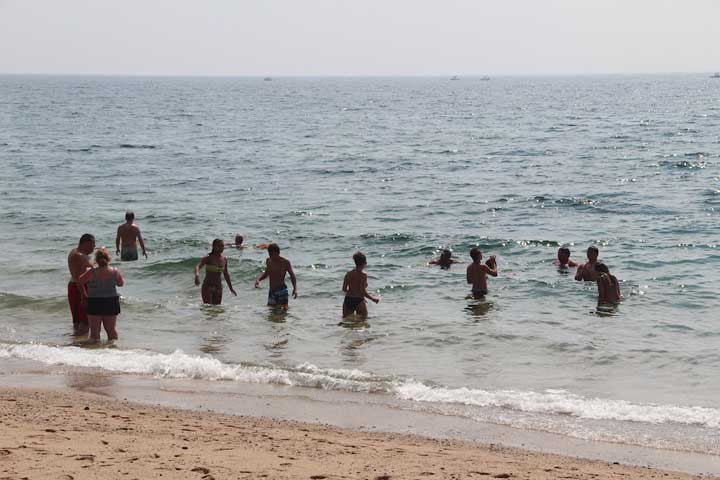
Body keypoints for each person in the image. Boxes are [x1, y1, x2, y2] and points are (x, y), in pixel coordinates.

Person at [77, 248, 124, 342]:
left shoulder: (92, 272)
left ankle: (96, 352)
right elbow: (120, 284)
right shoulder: (115, 271)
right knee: (111, 330)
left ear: (96, 260)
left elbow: (80, 281)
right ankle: (113, 350)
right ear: (108, 259)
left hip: (94, 301)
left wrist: (84, 295)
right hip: (111, 301)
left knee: (95, 332)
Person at [67, 234, 95, 335]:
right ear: (86, 243)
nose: (94, 247)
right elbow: (77, 277)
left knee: (78, 320)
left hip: (77, 287)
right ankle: (81, 346)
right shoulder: (78, 255)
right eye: (93, 244)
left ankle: (77, 344)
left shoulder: (78, 253)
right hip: (80, 288)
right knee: (84, 320)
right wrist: (84, 295)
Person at [194, 239, 237, 304]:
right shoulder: (208, 257)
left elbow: (226, 274)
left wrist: (231, 288)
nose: (222, 248)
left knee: (217, 310)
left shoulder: (224, 259)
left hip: (218, 287)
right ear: (214, 247)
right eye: (220, 246)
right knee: (207, 308)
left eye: (222, 246)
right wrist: (197, 276)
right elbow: (198, 266)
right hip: (208, 286)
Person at [255, 243, 297, 308]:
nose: (271, 256)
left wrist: (295, 289)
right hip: (272, 291)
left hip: (282, 291)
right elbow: (267, 273)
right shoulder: (269, 261)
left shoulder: (285, 262)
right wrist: (259, 279)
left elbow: (292, 275)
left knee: (283, 313)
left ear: (278, 253)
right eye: (269, 254)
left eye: (272, 255)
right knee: (271, 312)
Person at [342, 251, 380, 317]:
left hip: (348, 299)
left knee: (347, 322)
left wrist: (352, 293)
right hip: (358, 300)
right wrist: (373, 299)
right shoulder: (363, 275)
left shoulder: (348, 274)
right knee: (363, 321)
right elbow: (362, 291)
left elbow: (344, 289)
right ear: (365, 263)